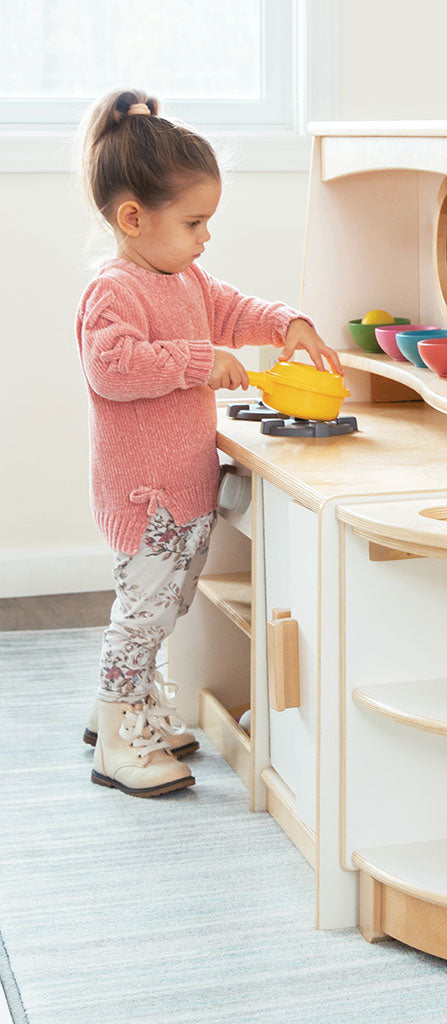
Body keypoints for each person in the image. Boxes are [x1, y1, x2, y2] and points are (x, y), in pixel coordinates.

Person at [76, 89, 342, 798]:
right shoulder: (114, 290)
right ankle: (115, 729)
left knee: (168, 607)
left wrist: (287, 322)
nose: (205, 237)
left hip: (183, 489)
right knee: (142, 615)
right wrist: (200, 360)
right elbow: (113, 365)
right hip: (147, 496)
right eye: (194, 221)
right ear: (134, 218)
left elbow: (231, 309)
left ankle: (126, 710)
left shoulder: (183, 276)